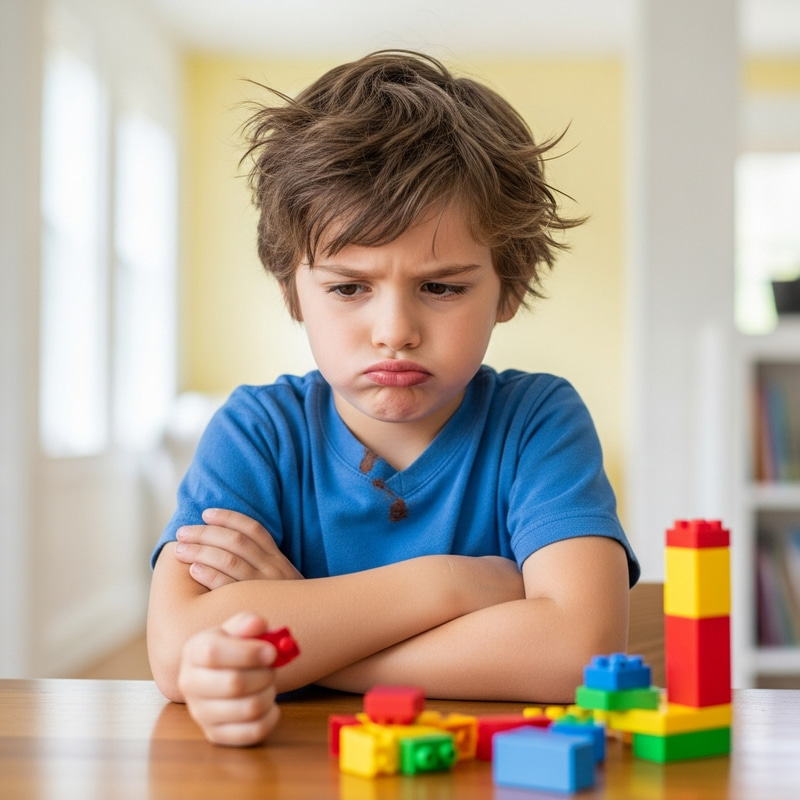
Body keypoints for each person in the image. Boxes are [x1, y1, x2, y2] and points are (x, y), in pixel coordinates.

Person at [147, 50, 640, 747]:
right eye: (349, 288)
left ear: (513, 286)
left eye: (441, 287)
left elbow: (576, 650)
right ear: (294, 291)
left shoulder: (539, 421)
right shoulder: (257, 432)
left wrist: (306, 643)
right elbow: (176, 653)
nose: (395, 332)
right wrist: (451, 586)